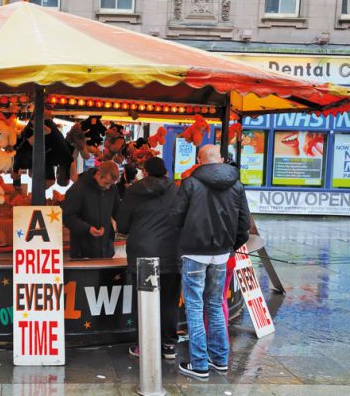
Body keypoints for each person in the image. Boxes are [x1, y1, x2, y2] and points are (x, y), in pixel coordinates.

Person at [170, 144, 250, 379]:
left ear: (199, 159)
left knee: (194, 308)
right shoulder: (236, 184)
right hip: (222, 253)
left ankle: (200, 365)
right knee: (215, 305)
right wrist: (230, 246)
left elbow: (175, 216)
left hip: (194, 252)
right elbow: (244, 223)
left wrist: (184, 237)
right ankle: (220, 360)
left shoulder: (190, 182)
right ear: (222, 159)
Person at [117, 157, 180, 360]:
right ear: (166, 172)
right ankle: (169, 345)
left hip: (142, 253)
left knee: (143, 300)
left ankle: (143, 345)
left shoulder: (133, 191)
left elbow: (123, 226)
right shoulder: (177, 190)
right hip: (171, 253)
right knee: (169, 300)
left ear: (145, 172)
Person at [62, 160, 120, 259]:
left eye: (111, 184)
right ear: (98, 174)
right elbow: (68, 217)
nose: (108, 187)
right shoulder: (78, 189)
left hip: (107, 250)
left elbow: (118, 212)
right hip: (83, 252)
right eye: (106, 183)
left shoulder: (112, 189)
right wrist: (87, 229)